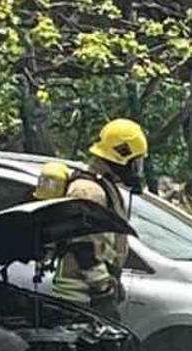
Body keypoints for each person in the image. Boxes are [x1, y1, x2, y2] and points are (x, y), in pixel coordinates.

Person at [49, 118, 148, 320]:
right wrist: (102, 289)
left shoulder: (105, 187)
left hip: (90, 295)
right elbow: (83, 244)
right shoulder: (88, 190)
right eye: (135, 162)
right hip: (79, 299)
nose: (136, 169)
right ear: (122, 155)